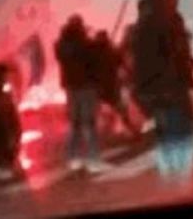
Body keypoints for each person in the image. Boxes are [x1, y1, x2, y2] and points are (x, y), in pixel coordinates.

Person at [131, 0, 193, 181]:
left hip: (152, 87)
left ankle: (170, 181)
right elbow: (172, 52)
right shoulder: (165, 17)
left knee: (166, 135)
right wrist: (187, 72)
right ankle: (180, 185)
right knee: (181, 136)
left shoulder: (147, 15)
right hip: (169, 87)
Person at [55, 15, 110, 174]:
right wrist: (100, 44)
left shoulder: (61, 45)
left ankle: (73, 158)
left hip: (71, 88)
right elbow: (93, 57)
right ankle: (93, 160)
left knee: (75, 123)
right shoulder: (83, 44)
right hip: (86, 86)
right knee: (89, 123)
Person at [90, 30, 138, 136]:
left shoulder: (95, 53)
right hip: (110, 85)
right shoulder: (110, 51)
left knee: (101, 108)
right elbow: (121, 63)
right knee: (119, 108)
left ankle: (105, 129)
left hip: (102, 86)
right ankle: (127, 128)